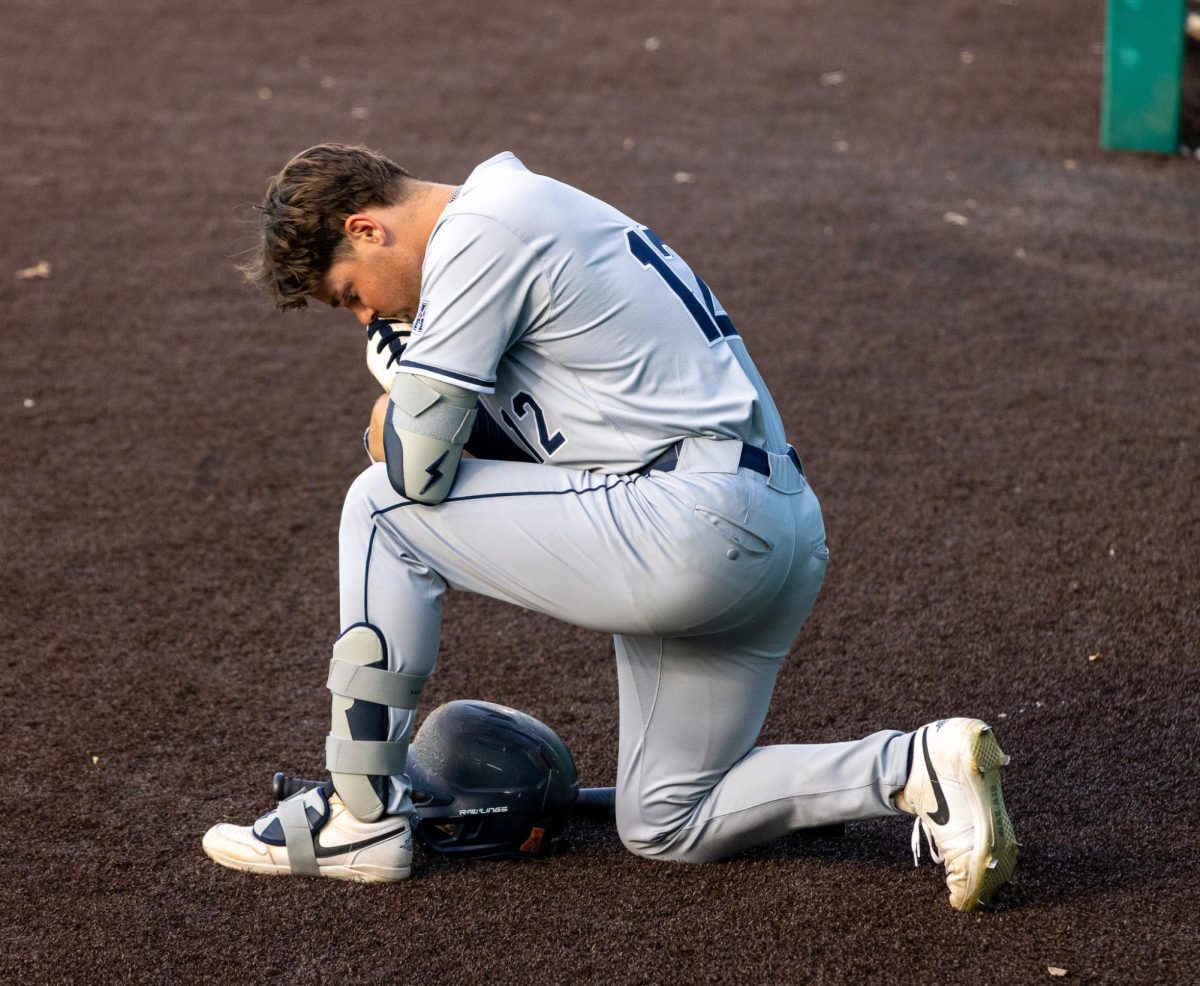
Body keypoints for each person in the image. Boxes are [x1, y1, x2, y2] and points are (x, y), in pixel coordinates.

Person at [201, 144, 1018, 910]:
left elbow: (416, 472)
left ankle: (361, 815)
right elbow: (529, 444)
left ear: (366, 229)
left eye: (350, 293)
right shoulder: (526, 216)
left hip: (691, 521)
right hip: (765, 526)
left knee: (380, 509)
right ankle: (917, 766)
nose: (362, 315)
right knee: (668, 819)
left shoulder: (482, 229)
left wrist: (389, 412)